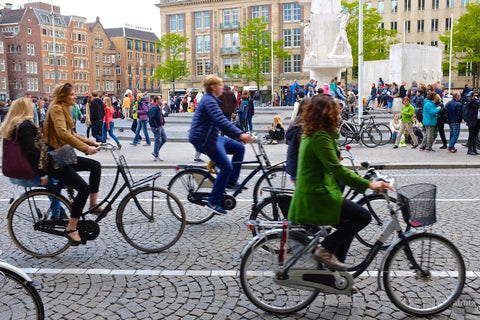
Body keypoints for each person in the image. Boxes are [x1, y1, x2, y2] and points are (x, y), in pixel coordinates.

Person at [288, 94, 392, 271]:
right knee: (363, 217)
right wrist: (369, 185)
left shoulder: (312, 132)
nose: (338, 116)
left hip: (315, 192)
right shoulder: (320, 136)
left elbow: (330, 158)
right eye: (335, 112)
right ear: (325, 114)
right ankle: (325, 250)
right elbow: (337, 170)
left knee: (348, 225)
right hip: (317, 195)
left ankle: (335, 272)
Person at [42, 83, 102, 246]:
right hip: (55, 159)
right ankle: (71, 227)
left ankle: (94, 204)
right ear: (63, 96)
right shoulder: (55, 108)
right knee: (83, 188)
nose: (75, 97)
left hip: (64, 154)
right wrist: (85, 148)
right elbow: (62, 133)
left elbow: (71, 133)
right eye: (72, 94)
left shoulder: (64, 108)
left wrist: (92, 143)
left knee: (95, 166)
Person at [189, 75, 254, 215]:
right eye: (220, 86)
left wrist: (237, 136)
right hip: (204, 140)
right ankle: (213, 202)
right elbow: (221, 121)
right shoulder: (209, 101)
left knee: (239, 148)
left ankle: (230, 182)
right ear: (213, 88)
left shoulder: (213, 100)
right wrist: (240, 135)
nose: (222, 88)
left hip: (212, 137)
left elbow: (223, 124)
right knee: (226, 166)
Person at [285, 98, 310, 180]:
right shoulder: (302, 125)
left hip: (293, 164)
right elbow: (304, 147)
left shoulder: (297, 120)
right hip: (298, 167)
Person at [149, 95, 167, 161]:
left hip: (160, 125)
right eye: (160, 99)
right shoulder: (154, 107)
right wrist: (156, 126)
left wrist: (163, 121)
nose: (161, 100)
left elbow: (160, 115)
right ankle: (156, 155)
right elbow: (151, 118)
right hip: (156, 126)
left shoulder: (158, 107)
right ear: (156, 100)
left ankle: (155, 151)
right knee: (157, 140)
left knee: (164, 138)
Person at [464, 91, 480, 155]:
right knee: (471, 136)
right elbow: (469, 105)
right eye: (474, 95)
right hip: (472, 122)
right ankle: (469, 149)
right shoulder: (471, 102)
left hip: (478, 122)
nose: (476, 97)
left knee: (475, 136)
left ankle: (474, 149)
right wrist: (474, 99)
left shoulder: (477, 103)